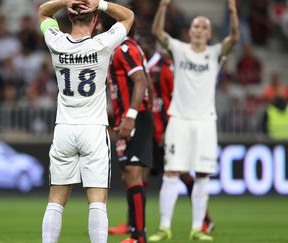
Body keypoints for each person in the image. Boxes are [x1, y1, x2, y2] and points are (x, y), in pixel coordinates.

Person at [38, 0, 134, 242]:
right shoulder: (102, 43)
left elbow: (42, 11)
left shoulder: (56, 41)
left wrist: (66, 1)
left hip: (64, 129)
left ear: (70, 18)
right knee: (97, 202)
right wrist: (99, 3)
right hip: (93, 129)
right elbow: (128, 17)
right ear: (94, 21)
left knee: (56, 200)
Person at [149, 0, 239, 241]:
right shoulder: (179, 49)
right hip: (179, 119)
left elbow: (234, 38)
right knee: (171, 172)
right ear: (190, 31)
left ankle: (197, 228)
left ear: (209, 33)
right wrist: (163, 7)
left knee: (202, 174)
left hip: (205, 122)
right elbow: (157, 32)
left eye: (203, 27)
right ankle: (164, 227)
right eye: (195, 26)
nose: (198, 30)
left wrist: (232, 11)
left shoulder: (215, 54)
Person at [107, 23, 153, 243]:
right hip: (127, 117)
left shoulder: (125, 48)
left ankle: (139, 236)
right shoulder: (123, 48)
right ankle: (133, 226)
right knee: (128, 176)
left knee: (133, 173)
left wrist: (132, 116)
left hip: (134, 117)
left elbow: (142, 81)